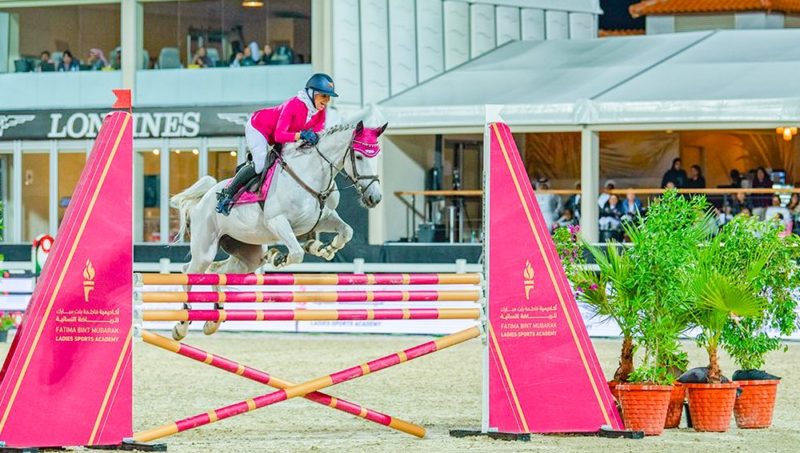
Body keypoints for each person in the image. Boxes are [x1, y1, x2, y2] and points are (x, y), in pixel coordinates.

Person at [215, 73, 337, 215]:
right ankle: (227, 193)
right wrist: (301, 135)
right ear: (312, 93)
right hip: (259, 127)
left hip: (282, 136)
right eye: (324, 96)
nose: (326, 101)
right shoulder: (294, 105)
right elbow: (279, 135)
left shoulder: (321, 112)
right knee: (260, 164)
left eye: (328, 97)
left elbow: (316, 135)